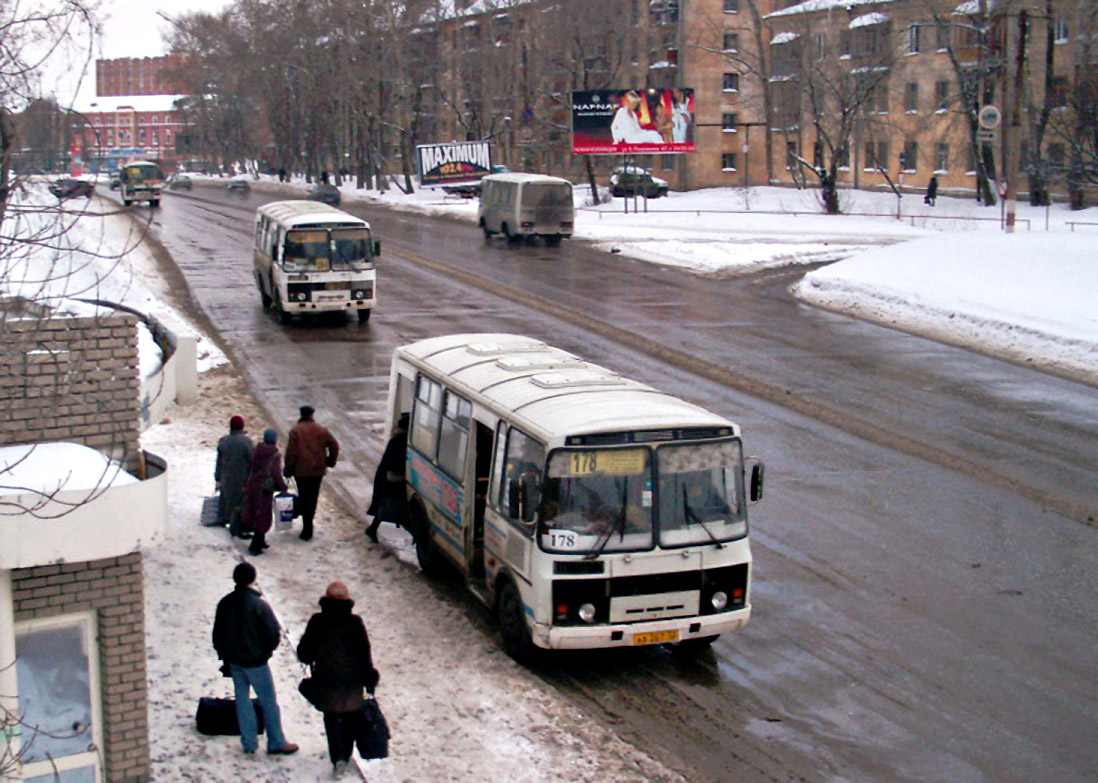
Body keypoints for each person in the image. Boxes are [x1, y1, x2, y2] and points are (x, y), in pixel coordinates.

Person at [212, 562, 299, 757]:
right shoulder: (259, 605)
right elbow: (272, 633)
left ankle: (249, 742)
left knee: (242, 700)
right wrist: (265, 653)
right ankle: (276, 741)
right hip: (256, 662)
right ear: (252, 579)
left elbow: (217, 634)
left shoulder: (225, 603)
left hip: (234, 661)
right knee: (268, 702)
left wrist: (225, 656)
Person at [296, 580, 380, 780]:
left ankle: (338, 759)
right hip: (352, 684)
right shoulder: (355, 623)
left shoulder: (317, 621)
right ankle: (346, 753)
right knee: (350, 718)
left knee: (331, 718)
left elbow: (304, 653)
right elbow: (364, 654)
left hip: (326, 682)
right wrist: (369, 677)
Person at [284, 405, 340, 542]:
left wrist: (288, 469)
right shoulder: (321, 430)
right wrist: (329, 461)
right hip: (317, 471)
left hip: (300, 471)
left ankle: (306, 525)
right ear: (312, 414)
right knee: (312, 497)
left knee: (303, 497)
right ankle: (309, 525)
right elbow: (335, 445)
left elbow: (291, 452)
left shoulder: (295, 431)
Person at [240, 428, 289, 555]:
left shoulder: (255, 451)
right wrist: (283, 486)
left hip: (252, 485)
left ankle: (260, 541)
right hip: (264, 489)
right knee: (263, 516)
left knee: (254, 513)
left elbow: (249, 468)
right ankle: (255, 546)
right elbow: (276, 473)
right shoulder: (275, 455)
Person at [365, 413, 409, 542]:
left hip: (386, 476)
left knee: (384, 502)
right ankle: (373, 529)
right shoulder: (401, 440)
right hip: (391, 478)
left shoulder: (396, 438)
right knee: (391, 503)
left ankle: (373, 529)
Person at [215, 414, 254, 533]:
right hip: (243, 478)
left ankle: (225, 519)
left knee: (227, 500)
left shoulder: (223, 441)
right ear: (242, 427)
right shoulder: (247, 443)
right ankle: (238, 525)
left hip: (226, 478)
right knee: (241, 502)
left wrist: (218, 478)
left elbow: (219, 462)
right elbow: (252, 462)